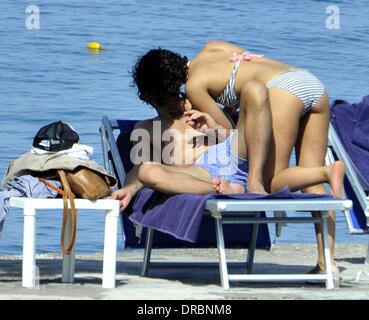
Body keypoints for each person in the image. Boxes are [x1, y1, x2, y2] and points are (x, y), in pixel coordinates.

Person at [112, 48, 345, 277]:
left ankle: (246, 185)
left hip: (233, 154)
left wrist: (214, 127)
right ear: (148, 97)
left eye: (177, 93)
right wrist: (128, 189)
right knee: (148, 171)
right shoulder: (145, 129)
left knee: (254, 88)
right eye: (167, 96)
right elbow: (138, 170)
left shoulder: (197, 104)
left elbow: (238, 132)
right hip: (200, 173)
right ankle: (233, 188)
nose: (176, 100)